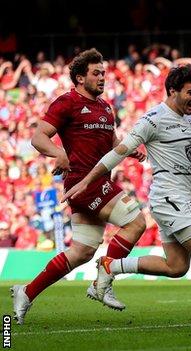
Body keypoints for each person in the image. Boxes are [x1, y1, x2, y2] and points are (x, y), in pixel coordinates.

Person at [61, 64, 191, 330]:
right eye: (190, 92)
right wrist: (87, 180)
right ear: (172, 90)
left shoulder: (188, 117)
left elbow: (188, 156)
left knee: (176, 266)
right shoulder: (152, 120)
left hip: (179, 196)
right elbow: (120, 151)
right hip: (169, 198)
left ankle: (111, 266)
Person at [11, 49, 148, 325]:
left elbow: (112, 142)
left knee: (83, 251)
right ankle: (102, 284)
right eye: (96, 73)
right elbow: (39, 137)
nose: (102, 78)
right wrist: (59, 154)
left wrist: (131, 150)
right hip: (82, 182)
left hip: (98, 182)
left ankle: (26, 292)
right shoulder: (66, 102)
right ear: (79, 77)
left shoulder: (106, 107)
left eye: (103, 74)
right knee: (136, 222)